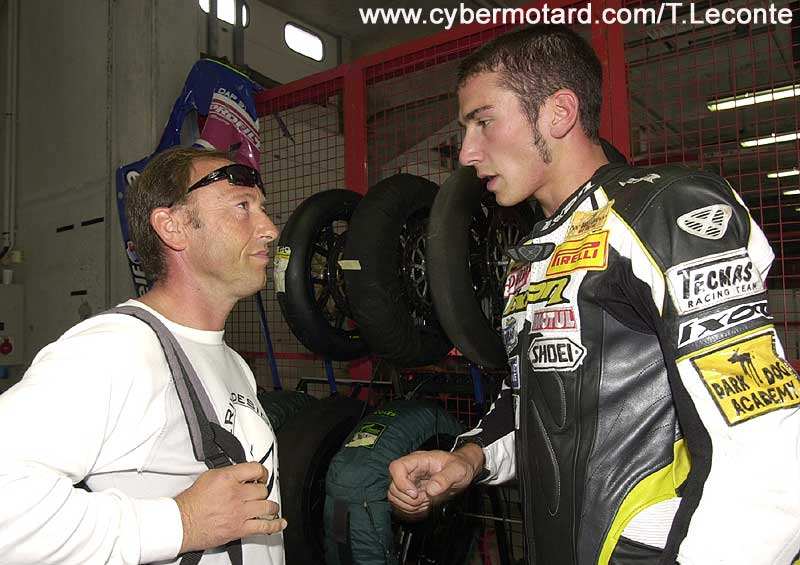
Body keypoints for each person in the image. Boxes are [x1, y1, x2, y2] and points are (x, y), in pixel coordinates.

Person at [388, 25, 800, 564]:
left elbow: (767, 447)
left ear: (559, 112)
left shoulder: (665, 210)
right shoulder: (532, 254)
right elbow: (534, 402)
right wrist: (468, 460)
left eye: (483, 122)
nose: (467, 152)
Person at [0, 147, 287, 564]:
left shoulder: (234, 364)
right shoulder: (116, 348)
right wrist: (182, 522)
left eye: (262, 209)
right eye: (242, 206)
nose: (270, 230)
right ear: (173, 227)